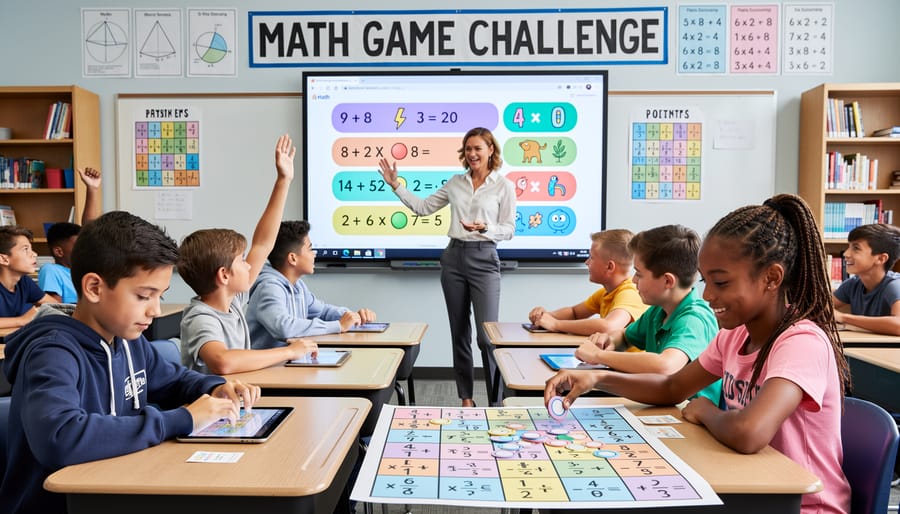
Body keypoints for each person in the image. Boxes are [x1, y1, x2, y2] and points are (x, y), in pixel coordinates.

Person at [546, 194, 851, 514]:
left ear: (771, 278)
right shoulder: (733, 336)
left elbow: (749, 433)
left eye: (721, 282)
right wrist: (596, 377)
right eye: (706, 281)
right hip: (749, 489)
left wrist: (704, 410)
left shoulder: (801, 342)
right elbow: (672, 388)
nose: (707, 295)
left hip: (802, 506)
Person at [0, 210, 261, 514]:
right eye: (144, 296)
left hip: (117, 488)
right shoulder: (53, 351)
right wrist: (183, 419)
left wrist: (215, 386)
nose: (155, 311)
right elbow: (59, 437)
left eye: (160, 296)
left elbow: (174, 380)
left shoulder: (127, 341)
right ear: (94, 288)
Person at [378, 127, 516, 407]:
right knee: (459, 334)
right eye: (468, 149)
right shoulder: (455, 183)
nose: (473, 154)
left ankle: (495, 402)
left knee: (486, 337)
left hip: (485, 256)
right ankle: (466, 398)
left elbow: (509, 229)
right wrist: (396, 185)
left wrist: (485, 228)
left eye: (478, 148)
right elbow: (423, 208)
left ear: (491, 150)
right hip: (454, 258)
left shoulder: (504, 186)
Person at [179, 135, 318, 375]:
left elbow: (263, 244)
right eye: (242, 261)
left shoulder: (233, 302)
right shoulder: (200, 317)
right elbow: (223, 361)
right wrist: (289, 351)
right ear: (224, 275)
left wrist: (284, 180)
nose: (250, 266)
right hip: (214, 409)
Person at [573, 225, 721, 404]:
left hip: (693, 418)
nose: (633, 280)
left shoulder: (694, 319)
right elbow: (626, 336)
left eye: (639, 274)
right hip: (666, 407)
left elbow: (665, 366)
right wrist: (609, 341)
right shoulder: (658, 311)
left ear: (667, 281)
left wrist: (598, 356)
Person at [247, 220, 376, 348]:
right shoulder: (269, 287)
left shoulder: (298, 286)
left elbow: (322, 311)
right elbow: (284, 327)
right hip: (266, 367)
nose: (314, 254)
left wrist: (353, 316)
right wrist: (339, 326)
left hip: (288, 363)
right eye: (310, 249)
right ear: (293, 258)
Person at [528, 229, 647, 336]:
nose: (586, 262)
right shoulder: (605, 293)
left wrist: (556, 324)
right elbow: (574, 313)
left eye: (592, 258)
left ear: (610, 267)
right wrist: (545, 317)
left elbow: (608, 326)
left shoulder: (630, 292)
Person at [38, 167, 103, 303]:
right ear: (59, 251)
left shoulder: (84, 269)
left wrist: (92, 189)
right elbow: (55, 309)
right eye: (77, 246)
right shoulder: (51, 270)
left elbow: (90, 228)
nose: (83, 249)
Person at [832, 223, 900, 335]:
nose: (846, 253)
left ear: (881, 258)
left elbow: (899, 325)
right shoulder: (852, 284)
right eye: (849, 247)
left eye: (856, 248)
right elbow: (821, 308)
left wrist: (843, 317)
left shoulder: (895, 286)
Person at [0, 226, 56, 329]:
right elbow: (25, 320)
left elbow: (54, 305)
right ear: (4, 259)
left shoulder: (24, 281)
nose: (35, 254)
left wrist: (40, 311)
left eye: (31, 249)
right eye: (25, 249)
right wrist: (22, 320)